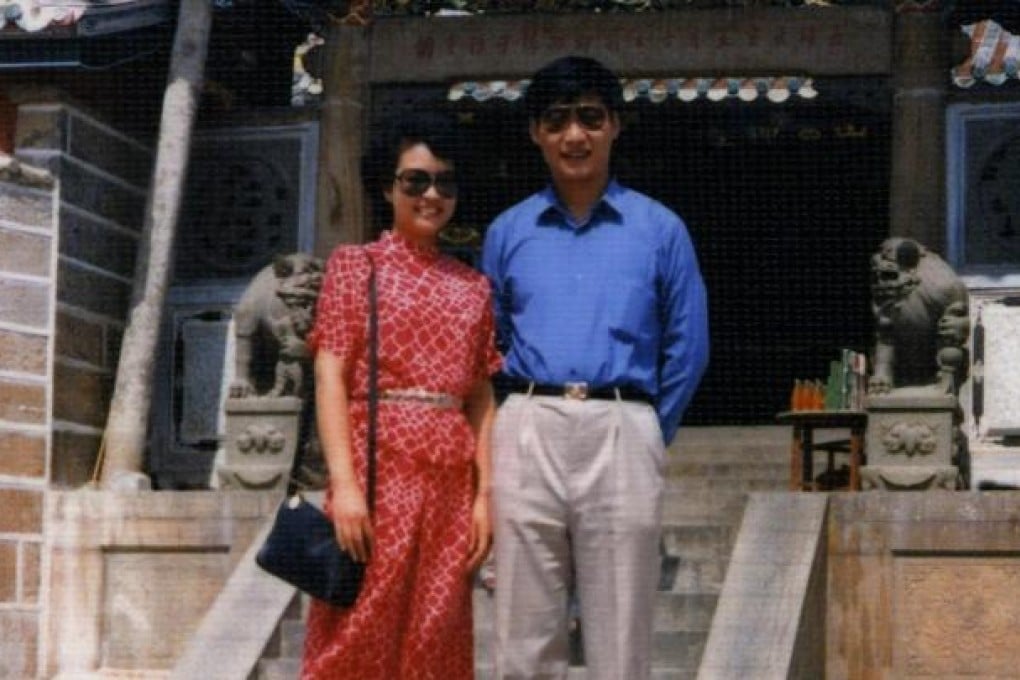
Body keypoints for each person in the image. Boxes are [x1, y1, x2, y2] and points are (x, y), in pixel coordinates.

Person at [481, 55, 710, 679]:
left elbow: (687, 345)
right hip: (528, 421)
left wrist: (645, 430)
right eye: (556, 120)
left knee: (620, 629)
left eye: (589, 117)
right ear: (535, 133)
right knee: (523, 631)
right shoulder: (508, 232)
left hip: (622, 423)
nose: (573, 135)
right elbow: (489, 340)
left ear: (615, 125)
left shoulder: (659, 229)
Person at [302, 112, 501, 679]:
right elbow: (330, 375)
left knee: (436, 634)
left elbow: (481, 396)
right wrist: (343, 485)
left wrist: (485, 494)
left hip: (447, 483)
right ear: (388, 187)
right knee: (357, 630)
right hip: (375, 473)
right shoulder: (355, 266)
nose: (431, 194)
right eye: (416, 181)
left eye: (445, 182)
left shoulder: (474, 287)